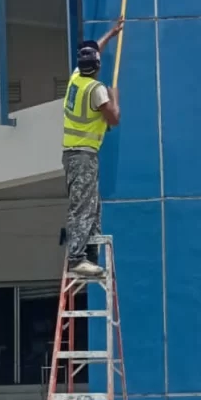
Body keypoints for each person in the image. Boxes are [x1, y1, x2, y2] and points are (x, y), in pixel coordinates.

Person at [62, 17, 124, 277]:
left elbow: (94, 49)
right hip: (83, 154)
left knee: (92, 205)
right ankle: (77, 258)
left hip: (76, 154)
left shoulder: (76, 79)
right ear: (97, 66)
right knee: (83, 206)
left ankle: (89, 254)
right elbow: (114, 118)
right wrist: (115, 97)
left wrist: (111, 34)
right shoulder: (97, 91)